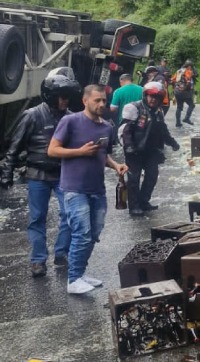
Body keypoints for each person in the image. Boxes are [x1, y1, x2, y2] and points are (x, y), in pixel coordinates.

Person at [47, 85, 128, 295]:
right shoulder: (70, 121)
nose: (102, 104)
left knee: (93, 233)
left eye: (104, 100)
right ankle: (73, 279)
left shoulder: (107, 127)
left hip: (97, 189)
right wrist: (79, 151)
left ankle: (80, 273)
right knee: (81, 232)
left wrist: (116, 165)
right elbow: (53, 150)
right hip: (74, 188)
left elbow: (104, 155)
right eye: (97, 100)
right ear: (85, 101)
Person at [0, 74, 81, 277]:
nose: (65, 101)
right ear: (51, 96)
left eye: (67, 97)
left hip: (63, 174)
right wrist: (6, 173)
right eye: (62, 97)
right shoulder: (32, 115)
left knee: (71, 215)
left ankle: (61, 252)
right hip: (37, 175)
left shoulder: (70, 117)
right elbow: (14, 147)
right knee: (37, 218)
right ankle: (38, 260)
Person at [119, 82, 180, 216]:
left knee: (152, 176)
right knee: (134, 178)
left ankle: (144, 201)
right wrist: (128, 146)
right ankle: (134, 206)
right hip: (134, 150)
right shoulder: (133, 108)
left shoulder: (159, 112)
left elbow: (163, 130)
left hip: (151, 150)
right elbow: (125, 130)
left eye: (156, 97)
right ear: (145, 95)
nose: (153, 99)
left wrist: (172, 142)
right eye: (150, 96)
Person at [171, 60, 196, 127]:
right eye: (191, 67)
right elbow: (188, 82)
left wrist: (175, 89)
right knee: (191, 105)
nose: (191, 68)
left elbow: (172, 80)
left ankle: (178, 123)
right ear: (189, 66)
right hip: (185, 92)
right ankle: (186, 118)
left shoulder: (178, 71)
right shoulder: (188, 71)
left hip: (177, 92)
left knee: (179, 107)